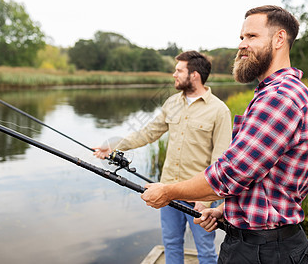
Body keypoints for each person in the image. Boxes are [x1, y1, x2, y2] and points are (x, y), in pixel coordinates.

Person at [141, 5, 308, 264]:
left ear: (279, 39)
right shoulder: (273, 92)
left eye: (252, 37)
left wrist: (168, 191)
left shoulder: (280, 97)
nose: (242, 45)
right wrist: (225, 209)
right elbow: (263, 179)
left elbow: (231, 173)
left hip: (263, 252)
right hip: (263, 244)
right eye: (242, 37)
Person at [93, 50, 232, 264]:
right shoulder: (172, 103)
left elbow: (220, 160)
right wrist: (112, 147)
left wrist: (208, 200)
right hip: (167, 191)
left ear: (194, 75)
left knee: (205, 250)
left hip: (199, 197)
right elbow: (147, 133)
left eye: (179, 70)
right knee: (171, 245)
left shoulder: (219, 110)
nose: (174, 75)